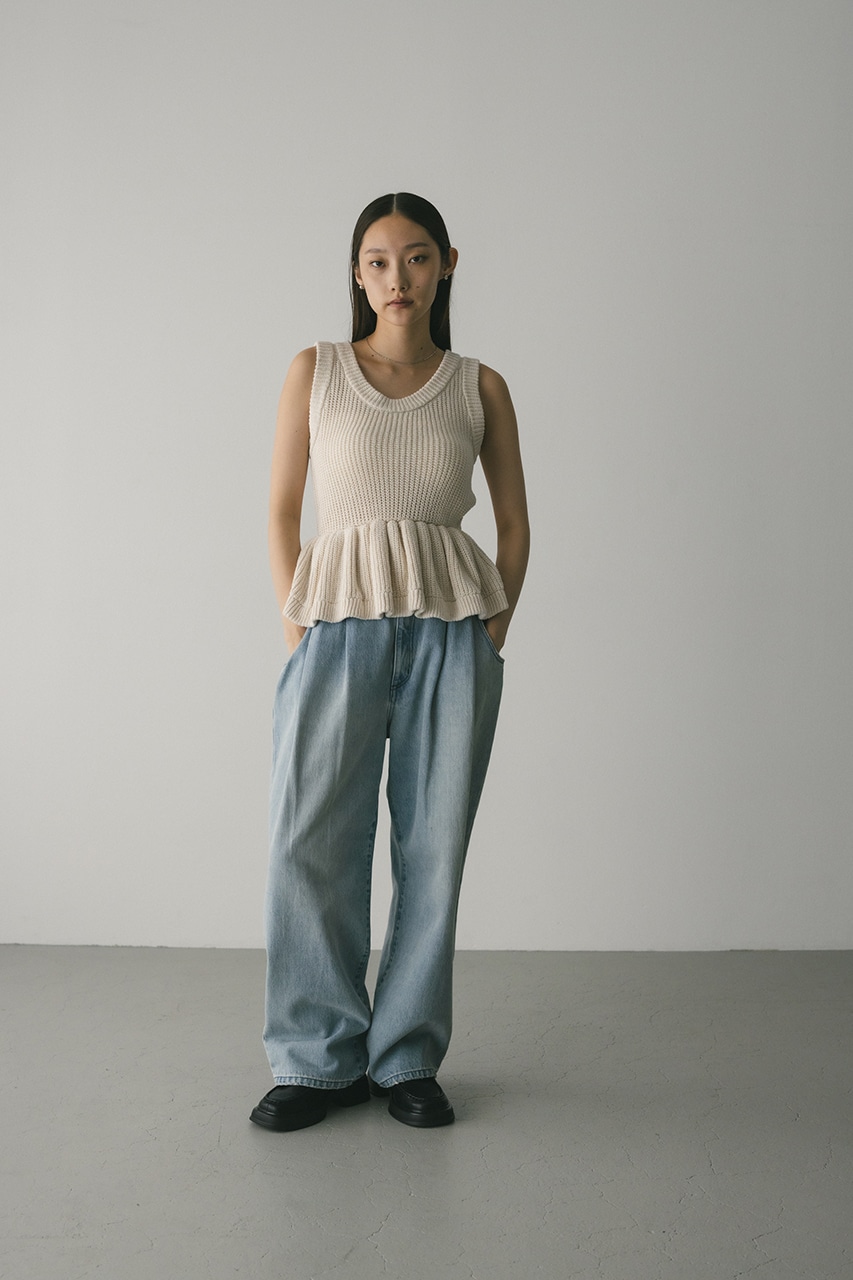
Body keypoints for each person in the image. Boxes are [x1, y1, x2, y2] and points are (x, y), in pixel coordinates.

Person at [250, 192, 529, 1132]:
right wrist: (298, 629)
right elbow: (281, 510)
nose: (396, 278)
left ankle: (405, 1054)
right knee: (310, 840)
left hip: (452, 630)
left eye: (414, 258)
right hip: (335, 625)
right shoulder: (317, 370)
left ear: (446, 264)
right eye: (376, 260)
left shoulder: (479, 386)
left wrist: (491, 630)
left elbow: (515, 522)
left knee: (432, 849)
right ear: (356, 274)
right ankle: (314, 1062)